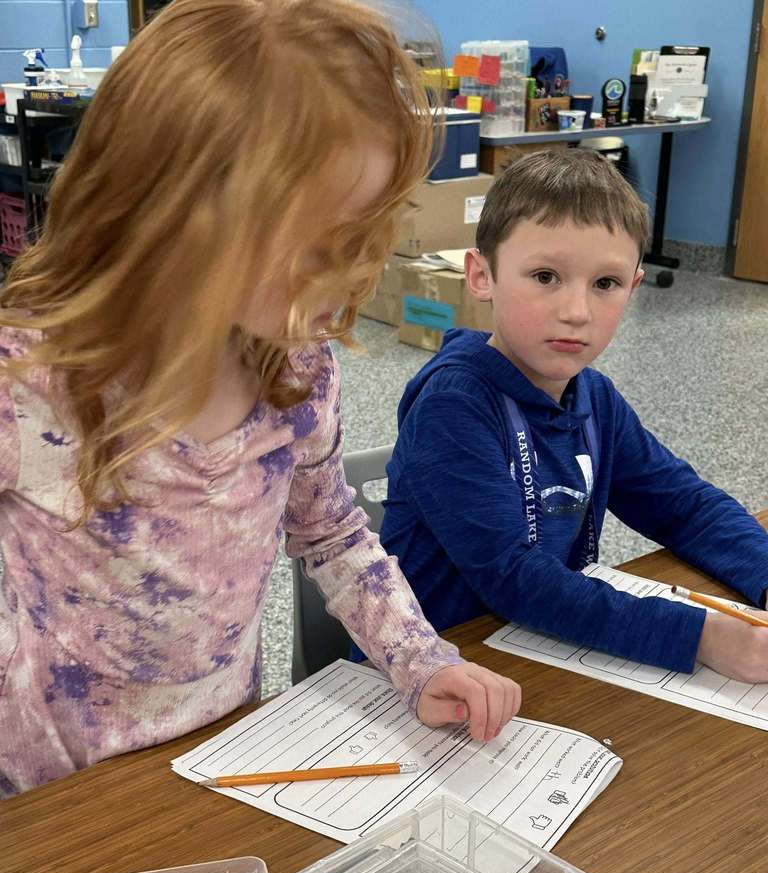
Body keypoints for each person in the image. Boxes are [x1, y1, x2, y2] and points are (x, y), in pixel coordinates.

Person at [0, 0, 522, 797]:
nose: (356, 275)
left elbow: (333, 535)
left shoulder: (296, 373)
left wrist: (422, 660)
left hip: (222, 763)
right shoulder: (27, 381)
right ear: (174, 212)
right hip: (52, 803)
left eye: (367, 237)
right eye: (324, 243)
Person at [380, 149, 768, 683]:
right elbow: (512, 578)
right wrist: (700, 636)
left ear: (633, 287)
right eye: (545, 276)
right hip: (434, 669)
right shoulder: (453, 405)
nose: (577, 311)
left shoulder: (594, 398)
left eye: (604, 284)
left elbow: (683, 507)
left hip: (539, 650)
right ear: (481, 275)